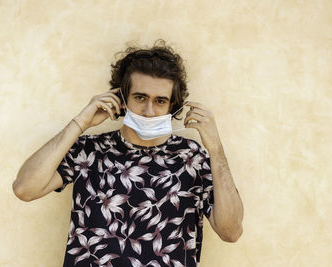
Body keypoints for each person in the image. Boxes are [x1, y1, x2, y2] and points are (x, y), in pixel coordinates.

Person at [13, 40, 244, 267]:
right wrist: (80, 123)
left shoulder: (193, 158)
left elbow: (230, 232)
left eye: (160, 101)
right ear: (122, 98)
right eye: (140, 97)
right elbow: (25, 188)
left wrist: (216, 149)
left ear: (172, 106)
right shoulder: (89, 150)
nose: (149, 111)